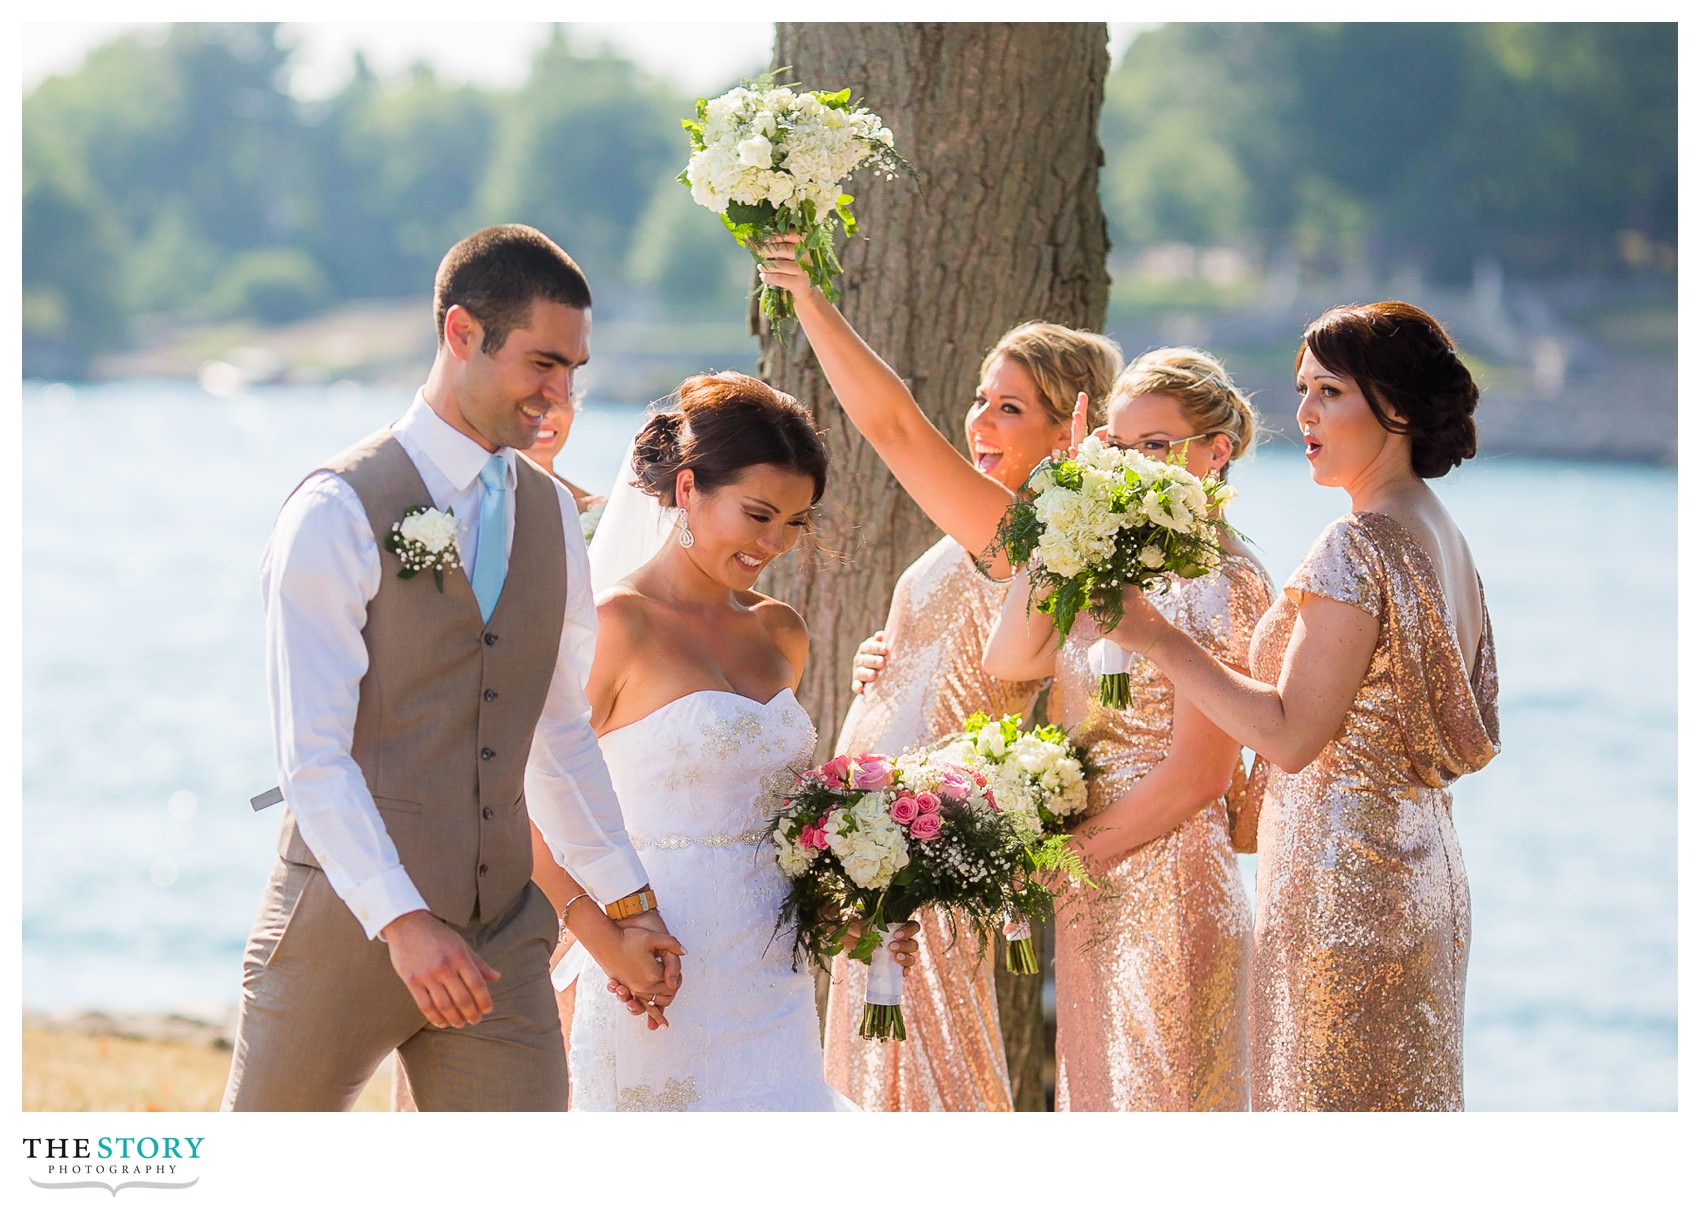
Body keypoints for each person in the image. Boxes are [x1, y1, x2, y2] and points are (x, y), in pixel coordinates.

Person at [223, 224, 683, 1112]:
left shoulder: (552, 517)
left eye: (575, 370)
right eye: (543, 363)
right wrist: (402, 921)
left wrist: (627, 903)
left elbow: (557, 732)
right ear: (462, 332)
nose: (561, 395)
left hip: (501, 934)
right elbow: (312, 757)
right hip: (343, 928)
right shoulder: (336, 510)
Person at [1100, 301, 1500, 1111]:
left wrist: (1153, 635)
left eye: (1329, 392)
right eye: (1302, 390)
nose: (1304, 414)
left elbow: (1289, 735)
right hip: (1425, 873)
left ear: (1395, 404)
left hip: (1342, 888)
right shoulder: (1442, 533)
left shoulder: (1358, 542)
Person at [756, 237, 1123, 1111]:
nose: (980, 423)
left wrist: (808, 298)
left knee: (926, 1085)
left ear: (1068, 428)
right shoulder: (982, 537)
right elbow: (939, 654)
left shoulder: (1032, 543)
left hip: (925, 863)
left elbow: (892, 427)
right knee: (875, 1084)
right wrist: (878, 671)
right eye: (980, 400)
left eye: (1011, 408)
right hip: (872, 854)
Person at [561, 370, 918, 1111]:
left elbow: (779, 825)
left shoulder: (780, 632)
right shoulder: (615, 625)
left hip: (772, 975)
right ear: (687, 489)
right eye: (758, 514)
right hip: (655, 961)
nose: (774, 542)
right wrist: (604, 940)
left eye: (795, 521)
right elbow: (530, 801)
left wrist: (843, 913)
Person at [983, 347, 1270, 1111]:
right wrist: (1056, 507)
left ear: (1216, 452)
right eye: (1117, 445)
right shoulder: (1104, 563)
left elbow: (1200, 775)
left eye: (1154, 446)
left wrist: (1053, 863)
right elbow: (1008, 656)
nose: (1133, 466)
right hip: (1095, 890)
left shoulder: (1228, 580)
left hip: (1171, 886)